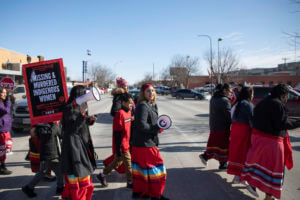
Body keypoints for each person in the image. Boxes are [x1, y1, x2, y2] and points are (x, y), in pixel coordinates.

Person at [240, 84, 300, 200]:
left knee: (258, 166)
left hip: (258, 139)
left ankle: (253, 184)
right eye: (287, 96)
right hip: (272, 142)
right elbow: (281, 124)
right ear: (283, 95)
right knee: (274, 171)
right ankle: (268, 197)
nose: (287, 98)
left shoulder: (262, 102)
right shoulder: (278, 104)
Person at [131, 83, 169, 200]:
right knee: (157, 170)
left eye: (152, 91)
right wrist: (156, 128)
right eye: (148, 91)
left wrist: (159, 126)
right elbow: (141, 125)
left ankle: (144, 192)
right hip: (144, 144)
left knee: (143, 171)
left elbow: (151, 123)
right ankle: (155, 195)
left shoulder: (151, 105)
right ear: (143, 93)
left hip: (145, 143)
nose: (151, 93)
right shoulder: (142, 105)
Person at [60, 85, 97, 200]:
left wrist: (89, 120)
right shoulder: (69, 108)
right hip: (74, 146)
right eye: (85, 94)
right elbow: (72, 130)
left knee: (82, 175)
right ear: (79, 94)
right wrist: (82, 114)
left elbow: (82, 124)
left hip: (82, 143)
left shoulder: (80, 106)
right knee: (79, 174)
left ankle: (71, 196)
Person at [226, 86, 258, 197]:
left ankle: (237, 175)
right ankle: (243, 177)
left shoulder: (236, 103)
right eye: (252, 93)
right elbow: (252, 121)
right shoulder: (248, 105)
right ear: (249, 94)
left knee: (236, 153)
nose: (253, 95)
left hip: (235, 130)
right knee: (245, 154)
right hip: (244, 131)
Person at [98, 93, 133, 188]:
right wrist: (118, 149)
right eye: (129, 103)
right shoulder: (119, 114)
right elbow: (117, 133)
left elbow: (128, 125)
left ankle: (102, 175)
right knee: (129, 164)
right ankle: (130, 182)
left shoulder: (129, 112)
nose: (131, 105)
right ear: (123, 103)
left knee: (116, 163)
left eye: (132, 103)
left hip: (127, 143)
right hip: (122, 145)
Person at [22, 122, 64, 198]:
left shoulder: (41, 126)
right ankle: (28, 187)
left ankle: (60, 187)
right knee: (42, 172)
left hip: (51, 153)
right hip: (49, 154)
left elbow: (60, 135)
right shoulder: (46, 127)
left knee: (59, 171)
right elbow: (52, 134)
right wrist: (56, 126)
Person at [199, 83, 232, 170]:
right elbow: (228, 115)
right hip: (223, 126)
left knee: (214, 143)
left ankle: (206, 156)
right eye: (229, 91)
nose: (230, 93)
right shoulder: (224, 100)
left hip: (214, 125)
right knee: (223, 146)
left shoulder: (214, 98)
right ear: (224, 90)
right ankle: (222, 163)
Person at [0, 87, 13, 175]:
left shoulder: (3, 102)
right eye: (3, 93)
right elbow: (6, 110)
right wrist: (8, 101)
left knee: (5, 148)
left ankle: (3, 165)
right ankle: (2, 166)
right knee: (2, 149)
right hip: (1, 130)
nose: (5, 94)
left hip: (5, 129)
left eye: (6, 93)